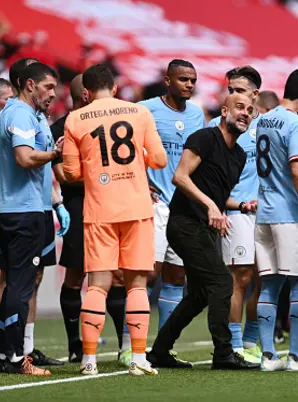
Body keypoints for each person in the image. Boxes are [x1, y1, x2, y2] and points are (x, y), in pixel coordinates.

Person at [63, 64, 167, 376]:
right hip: (136, 207)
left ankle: (89, 360)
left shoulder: (75, 118)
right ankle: (138, 357)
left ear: (85, 93)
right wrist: (138, 162)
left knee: (97, 285)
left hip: (99, 210)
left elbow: (70, 173)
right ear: (116, 88)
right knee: (137, 285)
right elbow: (159, 159)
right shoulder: (138, 113)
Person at [147, 93, 258, 370]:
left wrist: (242, 205)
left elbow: (217, 197)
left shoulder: (240, 155)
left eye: (250, 110)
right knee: (222, 283)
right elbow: (180, 176)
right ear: (224, 111)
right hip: (185, 223)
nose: (245, 113)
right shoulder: (205, 138)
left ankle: (160, 351)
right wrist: (210, 206)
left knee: (198, 295)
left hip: (205, 227)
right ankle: (224, 353)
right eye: (239, 108)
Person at [0, 58, 67, 367]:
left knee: (20, 282)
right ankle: (14, 356)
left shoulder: (27, 115)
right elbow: (24, 158)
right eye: (48, 87)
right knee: (21, 285)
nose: (53, 94)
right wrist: (54, 153)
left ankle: (10, 353)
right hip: (21, 211)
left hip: (24, 208)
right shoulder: (20, 114)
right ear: (29, 84)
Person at [51, 74, 129, 363]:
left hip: (111, 207)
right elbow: (62, 175)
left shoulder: (106, 123)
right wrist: (104, 178)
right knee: (76, 276)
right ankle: (75, 345)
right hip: (79, 208)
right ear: (86, 95)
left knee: (118, 275)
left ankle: (126, 345)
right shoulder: (60, 128)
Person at [254, 68, 298, 372]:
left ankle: (269, 355)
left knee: (269, 284)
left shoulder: (263, 119)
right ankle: (295, 357)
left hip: (264, 213)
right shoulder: (296, 125)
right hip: (289, 215)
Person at [140, 60, 205, 343]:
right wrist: (140, 184)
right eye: (183, 79)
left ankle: (164, 346)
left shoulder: (197, 114)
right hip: (153, 203)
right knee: (146, 275)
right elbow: (129, 151)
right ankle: (132, 346)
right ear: (168, 81)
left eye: (192, 80)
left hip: (183, 206)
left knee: (177, 276)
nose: (189, 84)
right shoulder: (146, 110)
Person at [208, 66, 262, 363]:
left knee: (265, 279)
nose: (232, 95)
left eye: (238, 90)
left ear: (254, 94)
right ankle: (236, 343)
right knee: (239, 278)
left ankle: (253, 340)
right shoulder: (218, 127)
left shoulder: (267, 124)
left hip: (267, 213)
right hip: (236, 211)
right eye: (230, 90)